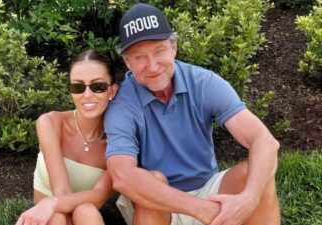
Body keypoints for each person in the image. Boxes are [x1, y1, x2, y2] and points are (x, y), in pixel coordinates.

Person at [105, 3, 280, 225]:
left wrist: (249, 199)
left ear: (173, 47)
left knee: (253, 176)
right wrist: (201, 210)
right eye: (139, 57)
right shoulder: (122, 105)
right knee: (153, 183)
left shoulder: (204, 83)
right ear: (127, 61)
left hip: (207, 188)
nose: (152, 66)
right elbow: (122, 176)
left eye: (159, 51)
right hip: (157, 203)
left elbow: (264, 141)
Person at [16, 49, 118, 225]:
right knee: (58, 217)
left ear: (112, 91)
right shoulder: (51, 123)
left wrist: (52, 203)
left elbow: (100, 196)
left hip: (84, 217)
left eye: (98, 86)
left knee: (86, 210)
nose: (87, 95)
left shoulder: (117, 141)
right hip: (48, 219)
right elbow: (61, 191)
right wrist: (53, 203)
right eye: (78, 86)